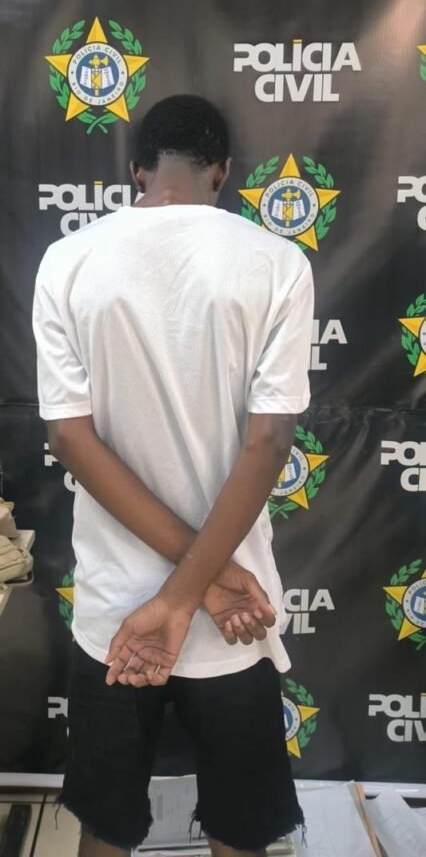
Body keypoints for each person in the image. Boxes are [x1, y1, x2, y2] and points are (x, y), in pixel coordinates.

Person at [33, 95, 314, 857]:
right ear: (222, 172)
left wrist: (177, 595)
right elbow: (269, 441)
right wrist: (204, 588)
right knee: (242, 832)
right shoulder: (277, 262)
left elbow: (68, 436)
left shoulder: (69, 260)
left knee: (104, 829)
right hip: (235, 615)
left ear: (137, 171)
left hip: (118, 615)